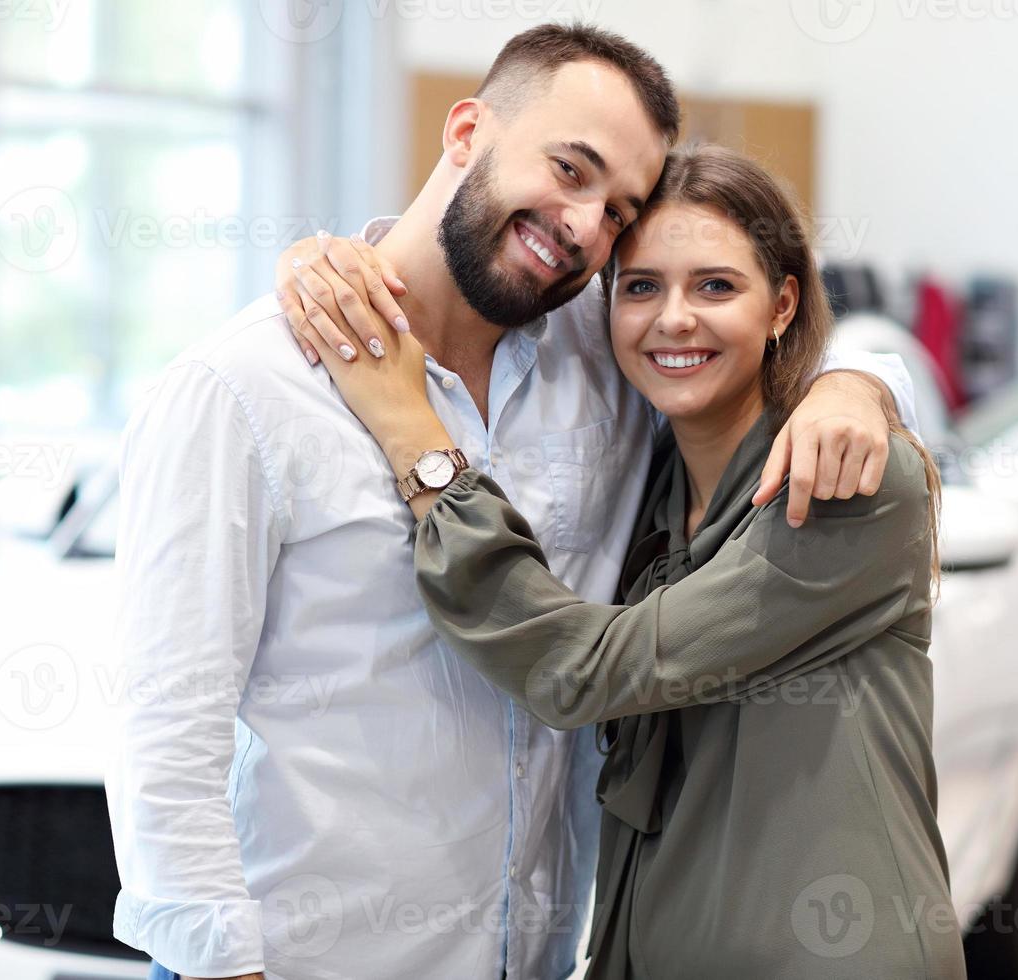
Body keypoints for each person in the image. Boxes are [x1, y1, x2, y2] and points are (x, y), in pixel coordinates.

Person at [108, 24, 919, 980]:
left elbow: (747, 338)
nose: (583, 226)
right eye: (568, 170)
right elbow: (168, 726)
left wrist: (858, 384)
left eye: (618, 211)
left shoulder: (606, 356)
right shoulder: (245, 388)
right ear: (465, 133)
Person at [295, 143, 964, 979]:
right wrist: (326, 261)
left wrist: (416, 440)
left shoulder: (842, 484)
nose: (672, 319)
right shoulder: (650, 481)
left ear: (782, 304)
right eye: (640, 287)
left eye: (715, 286)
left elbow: (581, 670)